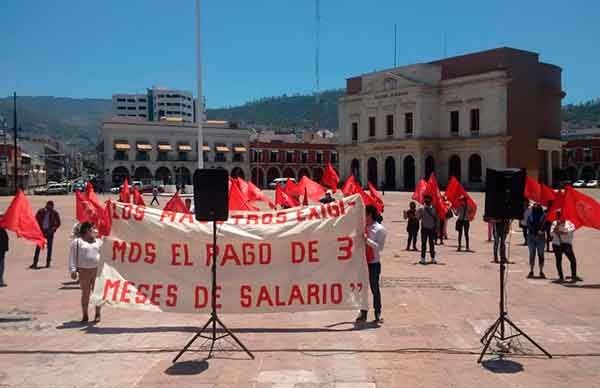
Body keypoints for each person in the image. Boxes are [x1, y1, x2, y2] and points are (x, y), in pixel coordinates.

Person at [356, 205, 386, 324]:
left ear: (371, 215)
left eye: (366, 215)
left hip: (373, 263)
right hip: (362, 262)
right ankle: (363, 312)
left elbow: (380, 247)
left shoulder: (379, 229)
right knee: (362, 288)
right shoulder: (361, 227)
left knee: (374, 288)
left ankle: (377, 312)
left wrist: (367, 240)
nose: (364, 217)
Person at [69, 221, 103, 323]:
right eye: (93, 228)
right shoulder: (77, 242)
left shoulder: (98, 241)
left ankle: (97, 314)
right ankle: (85, 314)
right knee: (85, 294)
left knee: (97, 293)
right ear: (87, 230)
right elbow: (72, 257)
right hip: (84, 271)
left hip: (97, 270)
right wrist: (73, 269)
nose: (95, 230)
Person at [551, 212, 581, 283]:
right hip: (556, 244)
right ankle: (561, 277)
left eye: (561, 216)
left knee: (572, 260)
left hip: (566, 244)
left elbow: (569, 232)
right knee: (558, 260)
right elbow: (551, 233)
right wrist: (557, 226)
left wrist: (559, 232)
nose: (560, 218)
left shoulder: (569, 223)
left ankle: (574, 276)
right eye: (559, 216)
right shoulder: (555, 223)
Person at [31, 201, 61, 269]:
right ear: (46, 205)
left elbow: (58, 223)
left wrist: (53, 229)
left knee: (49, 248)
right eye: (49, 206)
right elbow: (35, 220)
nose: (50, 207)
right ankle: (35, 263)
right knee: (38, 247)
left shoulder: (55, 213)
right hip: (41, 232)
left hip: (49, 232)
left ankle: (48, 263)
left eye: (51, 206)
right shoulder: (41, 211)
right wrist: (37, 229)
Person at [417, 195, 438, 264]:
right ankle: (431, 258)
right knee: (430, 244)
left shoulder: (422, 208)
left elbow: (418, 218)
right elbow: (436, 219)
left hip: (426, 228)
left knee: (426, 244)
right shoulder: (433, 209)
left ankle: (424, 259)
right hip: (430, 228)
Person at [526, 204, 546, 279]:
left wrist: (542, 230)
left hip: (540, 236)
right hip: (532, 236)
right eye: (534, 205)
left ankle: (541, 271)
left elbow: (546, 225)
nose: (535, 206)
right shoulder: (530, 214)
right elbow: (528, 224)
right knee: (532, 254)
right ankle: (531, 270)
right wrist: (535, 231)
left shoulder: (543, 215)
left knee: (541, 254)